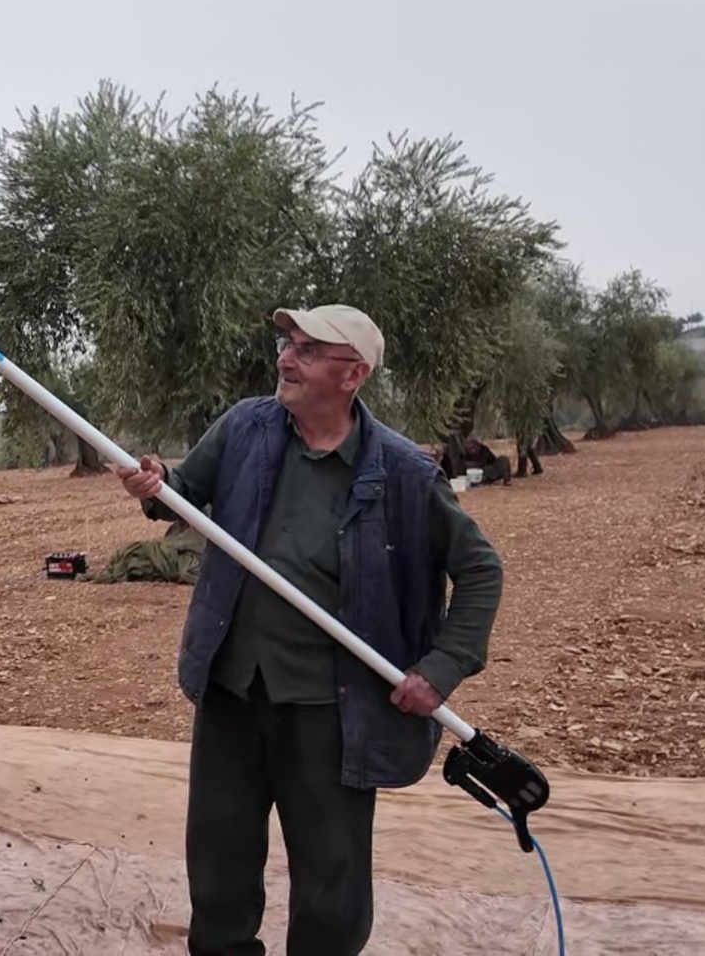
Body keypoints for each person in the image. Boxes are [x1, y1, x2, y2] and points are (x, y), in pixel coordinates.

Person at [115, 304, 503, 956]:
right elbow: (178, 493)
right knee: (219, 869)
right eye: (286, 343)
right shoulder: (246, 428)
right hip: (233, 691)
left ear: (352, 374)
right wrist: (151, 484)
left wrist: (440, 669)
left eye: (306, 350)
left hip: (334, 710)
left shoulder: (405, 475)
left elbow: (481, 571)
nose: (284, 358)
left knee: (332, 885)